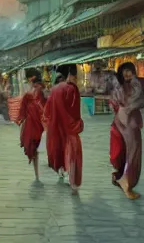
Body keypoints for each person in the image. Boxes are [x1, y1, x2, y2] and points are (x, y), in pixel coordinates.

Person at [43, 64, 83, 194]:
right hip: (70, 128)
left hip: (56, 127)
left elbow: (47, 112)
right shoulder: (72, 89)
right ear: (71, 74)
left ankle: (61, 172)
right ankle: (74, 185)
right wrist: (78, 124)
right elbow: (74, 110)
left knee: (59, 150)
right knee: (73, 154)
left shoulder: (54, 90)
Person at [110, 62, 144, 200]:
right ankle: (126, 183)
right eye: (125, 71)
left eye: (129, 71)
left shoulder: (134, 85)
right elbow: (117, 102)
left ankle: (125, 181)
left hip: (130, 121)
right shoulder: (122, 86)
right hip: (125, 121)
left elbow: (140, 101)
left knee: (133, 152)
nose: (127, 74)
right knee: (131, 152)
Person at [17, 77, 47, 182]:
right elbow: (22, 112)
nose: (38, 88)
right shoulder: (28, 97)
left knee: (38, 150)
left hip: (40, 127)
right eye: (36, 85)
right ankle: (37, 175)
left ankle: (39, 174)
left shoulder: (42, 96)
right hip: (31, 127)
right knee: (34, 150)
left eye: (39, 86)